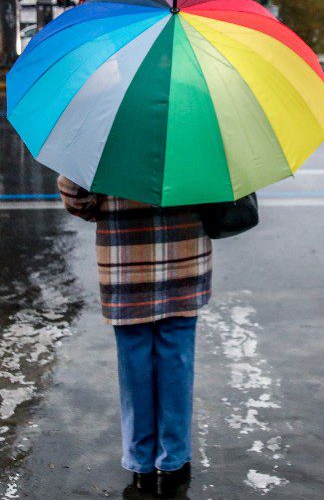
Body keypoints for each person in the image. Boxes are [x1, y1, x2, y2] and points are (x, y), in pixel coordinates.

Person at [57, 175, 209, 498]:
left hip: (126, 261)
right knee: (177, 362)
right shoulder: (193, 127)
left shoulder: (105, 127)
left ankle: (141, 464)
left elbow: (75, 196)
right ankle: (174, 463)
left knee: (134, 364)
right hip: (184, 257)